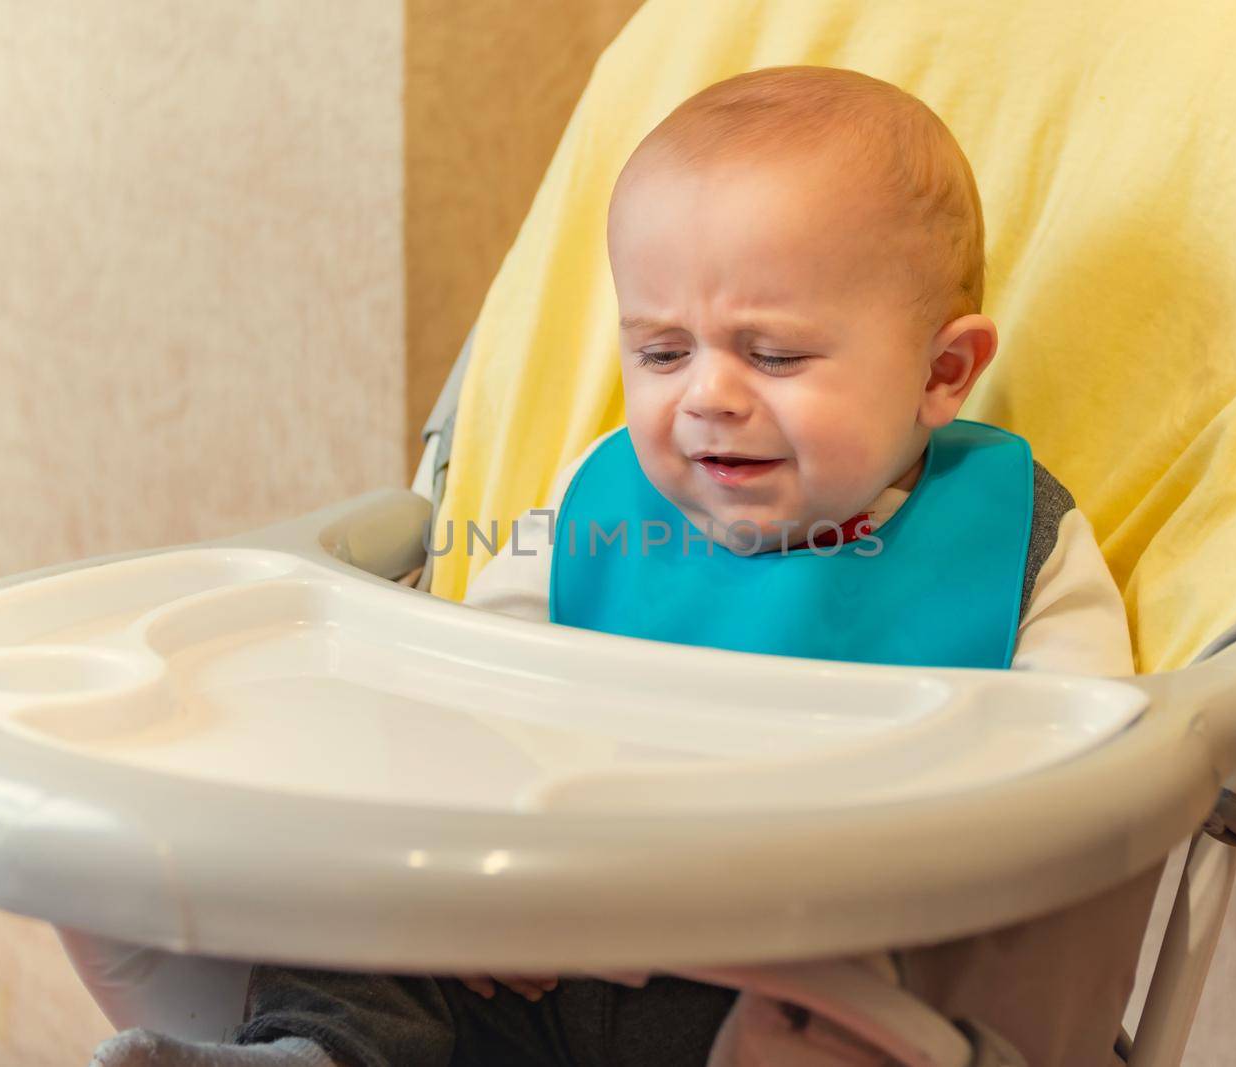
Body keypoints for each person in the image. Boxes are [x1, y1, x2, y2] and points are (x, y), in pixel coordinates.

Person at [91, 64, 1153, 1067]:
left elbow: (1089, 793)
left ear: (942, 370)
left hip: (794, 976)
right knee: (354, 902)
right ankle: (312, 1049)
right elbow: (459, 699)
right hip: (530, 956)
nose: (707, 396)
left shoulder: (1013, 539)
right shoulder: (598, 501)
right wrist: (471, 877)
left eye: (772, 353)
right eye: (660, 350)